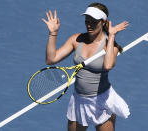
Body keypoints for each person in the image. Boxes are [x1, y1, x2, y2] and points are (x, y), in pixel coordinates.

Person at [42, 2, 130, 131]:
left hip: (102, 101)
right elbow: (51, 59)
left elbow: (108, 65)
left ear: (103, 22)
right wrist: (53, 34)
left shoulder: (111, 46)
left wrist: (111, 36)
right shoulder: (76, 40)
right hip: (79, 101)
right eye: (87, 21)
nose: (89, 25)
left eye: (94, 21)